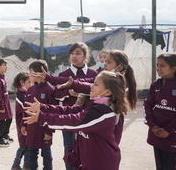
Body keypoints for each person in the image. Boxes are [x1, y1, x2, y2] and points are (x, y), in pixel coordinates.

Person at [24, 71, 127, 170]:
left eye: (95, 85)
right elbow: (70, 110)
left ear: (107, 91)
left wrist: (43, 117)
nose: (91, 86)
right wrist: (43, 107)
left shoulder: (105, 112)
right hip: (89, 161)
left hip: (101, 163)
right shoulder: (95, 104)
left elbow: (74, 121)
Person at [54, 42, 97, 170]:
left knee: (89, 148)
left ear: (85, 56)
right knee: (69, 148)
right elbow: (55, 96)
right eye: (72, 53)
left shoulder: (94, 74)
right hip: (69, 119)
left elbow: (100, 96)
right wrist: (68, 92)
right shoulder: (63, 75)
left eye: (78, 53)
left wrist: (87, 93)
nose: (74, 56)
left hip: (89, 118)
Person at [25, 60, 74, 170]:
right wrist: (24, 125)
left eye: (31, 72)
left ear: (39, 74)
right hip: (32, 128)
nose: (29, 75)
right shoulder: (30, 89)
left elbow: (53, 112)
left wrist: (49, 131)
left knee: (46, 155)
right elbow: (26, 109)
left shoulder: (49, 89)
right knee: (31, 154)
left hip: (44, 129)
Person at [144, 53, 176, 170]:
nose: (158, 68)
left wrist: (168, 130)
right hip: (156, 133)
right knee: (160, 166)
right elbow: (147, 104)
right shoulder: (156, 84)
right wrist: (152, 126)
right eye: (157, 65)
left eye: (162, 66)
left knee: (170, 166)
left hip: (173, 136)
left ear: (174, 68)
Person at [11, 72, 31, 170]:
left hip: (26, 124)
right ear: (22, 82)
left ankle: (26, 165)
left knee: (27, 146)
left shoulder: (25, 93)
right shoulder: (21, 95)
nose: (30, 85)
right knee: (24, 146)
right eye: (29, 82)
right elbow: (25, 110)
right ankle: (16, 165)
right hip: (22, 125)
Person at [0, 59, 13, 146]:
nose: (6, 67)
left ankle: (5, 134)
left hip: (6, 101)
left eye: (6, 65)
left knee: (9, 118)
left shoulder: (2, 77)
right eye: (4, 65)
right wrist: (1, 106)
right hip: (1, 102)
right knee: (2, 120)